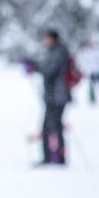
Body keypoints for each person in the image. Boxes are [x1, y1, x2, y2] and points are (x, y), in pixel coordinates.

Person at [32, 29, 71, 165]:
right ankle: (54, 157)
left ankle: (55, 157)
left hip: (57, 96)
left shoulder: (58, 52)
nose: (45, 41)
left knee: (51, 126)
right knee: (51, 126)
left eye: (46, 38)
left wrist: (34, 67)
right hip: (54, 96)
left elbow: (49, 71)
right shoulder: (56, 51)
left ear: (53, 39)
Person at [77, 39, 99, 104]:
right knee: (91, 87)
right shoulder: (85, 52)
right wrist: (84, 70)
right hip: (91, 72)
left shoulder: (98, 50)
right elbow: (83, 62)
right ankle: (92, 99)